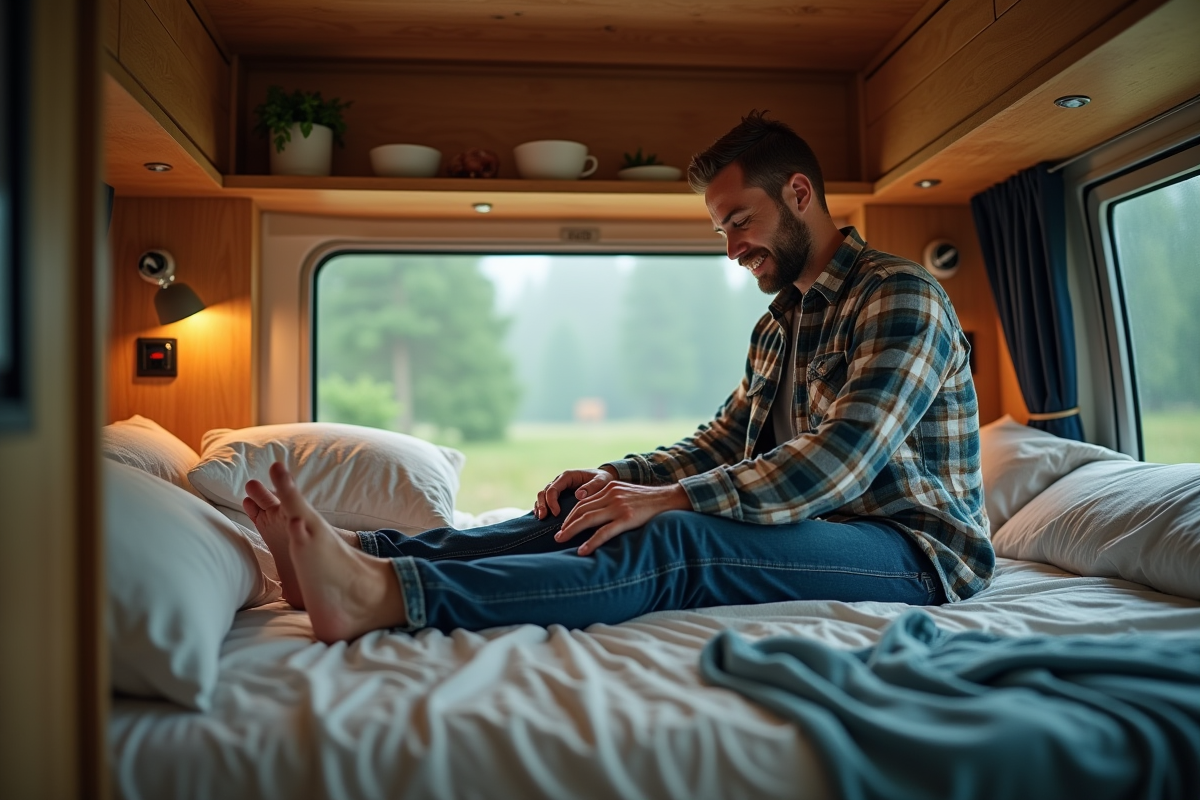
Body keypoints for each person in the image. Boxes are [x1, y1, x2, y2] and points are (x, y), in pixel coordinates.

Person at [243, 110, 993, 644]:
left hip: (911, 548)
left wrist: (665, 499)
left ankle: (384, 595)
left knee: (675, 536)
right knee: (589, 510)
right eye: (721, 229)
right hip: (819, 524)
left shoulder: (900, 295)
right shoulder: (781, 323)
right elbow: (724, 442)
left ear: (799, 193)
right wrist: (617, 479)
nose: (731, 248)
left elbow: (840, 460)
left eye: (739, 220)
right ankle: (366, 552)